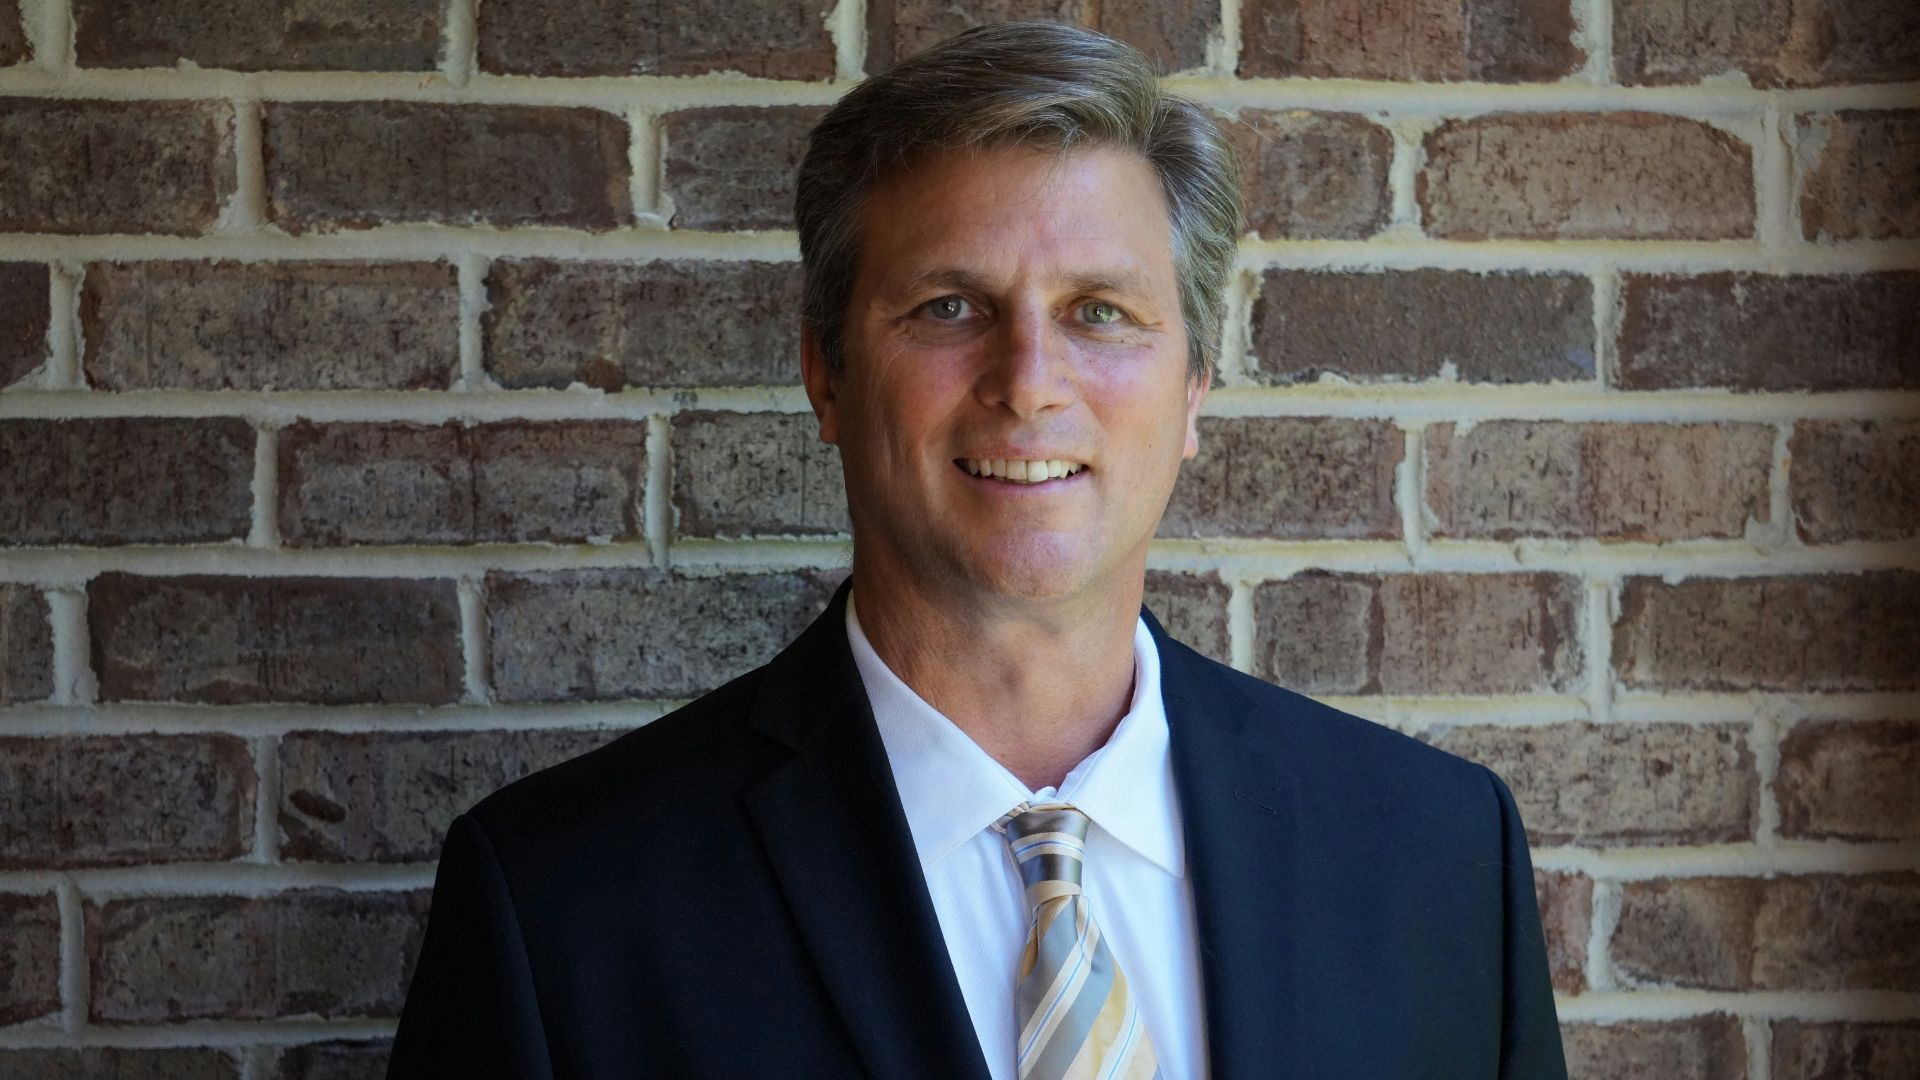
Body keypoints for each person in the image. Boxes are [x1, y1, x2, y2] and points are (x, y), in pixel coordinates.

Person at [387, 22, 1568, 1079]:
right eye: (949, 307)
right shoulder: (563, 905)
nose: (1029, 385)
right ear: (826, 373)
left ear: (1196, 384)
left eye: (1102, 311)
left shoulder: (1437, 858)